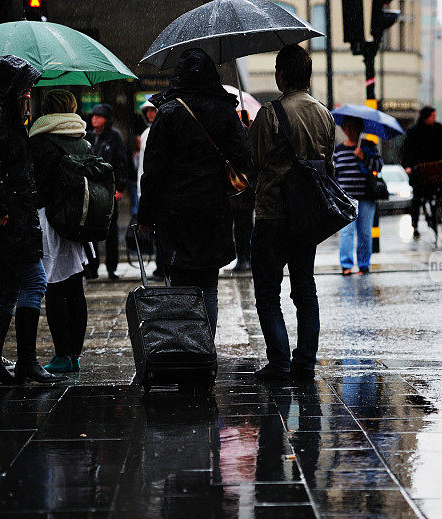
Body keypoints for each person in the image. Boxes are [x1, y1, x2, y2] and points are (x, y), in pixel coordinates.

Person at [138, 48, 252, 336]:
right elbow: (243, 156)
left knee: (180, 284)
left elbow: (153, 170)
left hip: (176, 212)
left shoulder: (168, 111)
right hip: (213, 207)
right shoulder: (225, 108)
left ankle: (186, 347)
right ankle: (206, 348)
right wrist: (242, 127)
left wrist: (146, 216)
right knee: (208, 286)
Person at [0, 54, 66, 384]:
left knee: (9, 290)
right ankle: (25, 361)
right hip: (10, 218)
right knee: (34, 282)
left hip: (15, 214)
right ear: (12, 86)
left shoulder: (4, 113)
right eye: (25, 87)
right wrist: (1, 209)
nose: (29, 93)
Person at [249, 44, 334, 381]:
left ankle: (280, 362)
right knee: (304, 289)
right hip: (306, 217)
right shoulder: (324, 114)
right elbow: (327, 166)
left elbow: (252, 162)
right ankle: (305, 363)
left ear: (281, 76)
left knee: (267, 294)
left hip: (272, 214)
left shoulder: (269, 114)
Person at [28, 89, 91, 374]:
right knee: (74, 288)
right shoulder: (81, 138)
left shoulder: (40, 140)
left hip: (48, 220)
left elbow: (34, 182)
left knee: (54, 288)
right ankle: (74, 355)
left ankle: (62, 354)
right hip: (75, 222)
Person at [334, 116, 383, 275]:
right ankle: (346, 265)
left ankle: (363, 265)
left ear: (359, 128)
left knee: (365, 232)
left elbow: (378, 167)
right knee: (346, 232)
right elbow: (334, 174)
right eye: (346, 127)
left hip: (366, 197)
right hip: (346, 199)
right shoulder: (338, 150)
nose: (349, 130)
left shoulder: (369, 146)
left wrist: (364, 157)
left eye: (353, 127)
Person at [84, 103, 129, 281]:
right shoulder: (87, 135)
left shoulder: (114, 137)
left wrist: (120, 188)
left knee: (110, 231)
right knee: (90, 231)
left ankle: (112, 267)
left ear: (107, 119)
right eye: (93, 115)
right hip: (91, 191)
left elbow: (121, 163)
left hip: (108, 190)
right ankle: (92, 267)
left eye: (99, 116)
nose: (95, 118)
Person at [401, 105, 442, 239]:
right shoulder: (413, 131)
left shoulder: (438, 128)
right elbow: (406, 151)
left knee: (439, 195)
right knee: (417, 198)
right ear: (425, 117)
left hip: (435, 170)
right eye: (432, 116)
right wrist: (408, 167)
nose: (434, 119)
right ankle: (415, 226)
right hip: (419, 171)